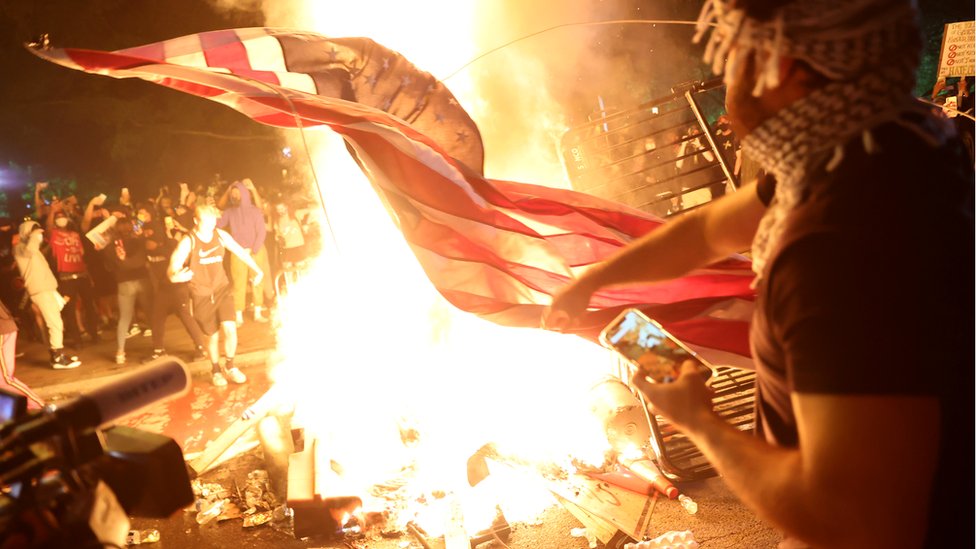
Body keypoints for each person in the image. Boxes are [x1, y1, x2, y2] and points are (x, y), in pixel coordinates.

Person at [545, 1, 973, 547]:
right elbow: (705, 232)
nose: (725, 79)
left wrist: (702, 423)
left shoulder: (832, 251)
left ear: (785, 66)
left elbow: (867, 523)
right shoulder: (891, 141)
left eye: (735, 55)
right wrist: (592, 280)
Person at [168, 205, 264, 386]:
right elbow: (172, 266)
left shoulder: (220, 235)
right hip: (201, 295)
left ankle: (231, 366)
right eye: (206, 223)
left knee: (230, 328)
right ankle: (216, 370)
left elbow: (240, 251)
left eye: (213, 222)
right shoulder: (189, 241)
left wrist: (257, 270)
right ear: (196, 221)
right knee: (212, 336)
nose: (211, 226)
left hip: (222, 289)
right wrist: (176, 276)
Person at [141, 204, 207, 361]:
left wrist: (160, 244)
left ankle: (201, 348)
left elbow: (176, 249)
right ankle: (158, 350)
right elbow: (141, 242)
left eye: (142, 212)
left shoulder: (166, 234)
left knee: (185, 315)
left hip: (177, 284)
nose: (139, 214)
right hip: (164, 286)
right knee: (157, 316)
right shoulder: (143, 230)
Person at [13, 220, 80, 370]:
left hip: (47, 289)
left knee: (56, 320)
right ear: (28, 234)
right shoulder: (20, 249)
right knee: (55, 323)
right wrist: (35, 237)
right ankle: (58, 357)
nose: (40, 236)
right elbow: (29, 250)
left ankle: (56, 353)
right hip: (41, 290)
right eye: (36, 233)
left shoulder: (33, 250)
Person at [217, 178, 274, 324]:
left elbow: (261, 231)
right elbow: (218, 224)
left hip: (256, 250)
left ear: (244, 193)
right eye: (232, 194)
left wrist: (254, 249)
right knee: (238, 283)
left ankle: (257, 313)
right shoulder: (229, 212)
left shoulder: (255, 211)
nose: (234, 196)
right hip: (238, 252)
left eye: (237, 193)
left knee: (257, 281)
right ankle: (238, 316)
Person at [101, 208, 153, 365]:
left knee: (124, 318)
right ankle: (158, 347)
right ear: (130, 227)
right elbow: (139, 226)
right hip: (142, 280)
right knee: (150, 314)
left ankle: (120, 352)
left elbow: (108, 266)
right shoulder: (138, 240)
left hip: (123, 283)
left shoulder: (111, 245)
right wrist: (138, 220)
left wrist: (110, 218)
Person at [46, 199, 100, 346]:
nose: (60, 220)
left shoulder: (75, 234)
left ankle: (94, 334)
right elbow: (49, 226)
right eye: (58, 218)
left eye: (62, 217)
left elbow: (82, 255)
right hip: (66, 278)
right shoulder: (54, 234)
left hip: (82, 275)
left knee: (89, 306)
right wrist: (52, 211)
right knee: (70, 310)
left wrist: (88, 275)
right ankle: (77, 340)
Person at [0, 299, 44, 410]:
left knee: (4, 379)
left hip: (2, 329)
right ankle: (29, 409)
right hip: (4, 327)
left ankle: (40, 407)